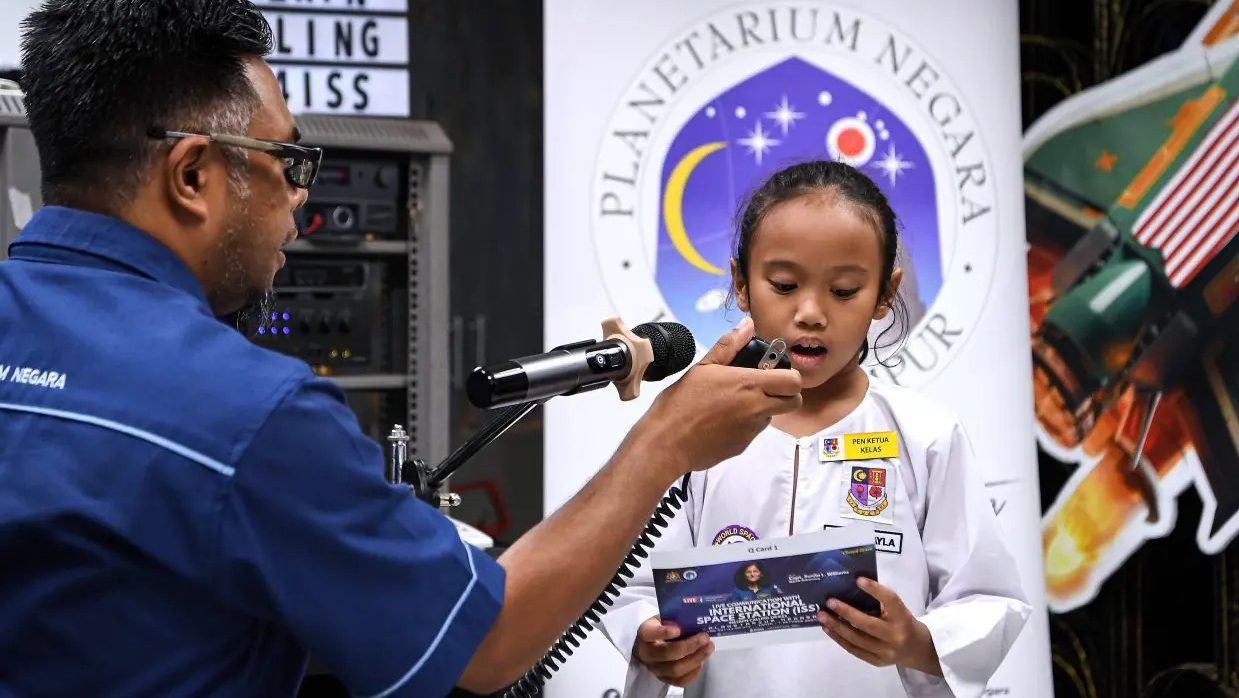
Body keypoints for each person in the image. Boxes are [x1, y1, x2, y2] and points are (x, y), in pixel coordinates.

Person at [0, 2, 804, 696]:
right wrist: (663, 443)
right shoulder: (247, 413)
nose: (300, 195)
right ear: (192, 176)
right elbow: (486, 645)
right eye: (287, 161)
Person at [599, 160, 1032, 697]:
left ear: (884, 294)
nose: (811, 312)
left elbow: (988, 601)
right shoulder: (694, 431)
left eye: (845, 290)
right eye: (784, 284)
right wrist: (649, 637)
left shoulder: (927, 437)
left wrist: (913, 641)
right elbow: (631, 584)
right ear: (740, 282)